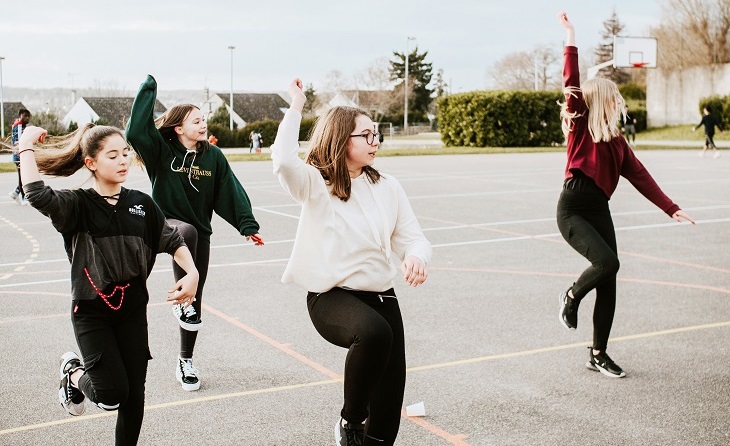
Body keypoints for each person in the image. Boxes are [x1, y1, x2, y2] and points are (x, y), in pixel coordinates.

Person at [271, 78, 431, 446]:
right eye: (367, 135)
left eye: (377, 135)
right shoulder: (315, 183)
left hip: (381, 296)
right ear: (343, 140)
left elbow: (413, 237)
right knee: (374, 333)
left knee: (389, 408)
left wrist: (416, 257)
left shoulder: (387, 185)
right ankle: (349, 421)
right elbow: (282, 160)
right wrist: (296, 105)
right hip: (331, 297)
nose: (375, 141)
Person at [18, 124, 199, 445]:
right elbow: (36, 194)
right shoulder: (77, 205)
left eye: (125, 153)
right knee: (111, 395)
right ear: (91, 163)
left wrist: (192, 273)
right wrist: (26, 146)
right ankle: (73, 372)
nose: (122, 160)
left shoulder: (141, 204)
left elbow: (172, 239)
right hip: (92, 312)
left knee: (134, 397)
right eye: (112, 155)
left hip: (132, 310)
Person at [556, 12, 695, 378]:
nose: (620, 101)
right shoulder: (580, 124)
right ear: (601, 100)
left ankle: (598, 353)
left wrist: (671, 208)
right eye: (615, 97)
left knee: (610, 280)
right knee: (607, 263)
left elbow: (641, 177)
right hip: (573, 209)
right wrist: (571, 35)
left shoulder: (618, 144)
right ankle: (570, 296)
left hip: (599, 208)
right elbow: (571, 81)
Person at [127, 75, 263, 392]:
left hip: (198, 234)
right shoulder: (161, 150)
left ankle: (185, 360)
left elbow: (230, 190)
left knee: (195, 295)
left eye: (204, 120)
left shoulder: (213, 157)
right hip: (161, 224)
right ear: (179, 128)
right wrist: (149, 90)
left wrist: (248, 226)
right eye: (196, 121)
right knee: (183, 231)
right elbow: (135, 131)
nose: (203, 125)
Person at [9, 108, 32, 205]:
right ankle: (23, 197)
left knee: (23, 176)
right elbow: (18, 142)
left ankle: (16, 192)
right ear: (20, 116)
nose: (27, 118)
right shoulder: (18, 127)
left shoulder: (23, 126)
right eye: (25, 116)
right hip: (19, 156)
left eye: (28, 116)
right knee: (22, 177)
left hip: (22, 156)